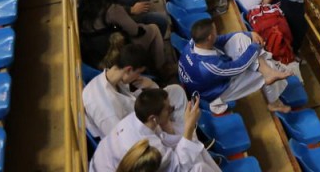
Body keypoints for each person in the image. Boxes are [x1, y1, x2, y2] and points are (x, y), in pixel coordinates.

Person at [177, 18, 292, 115]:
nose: (217, 32)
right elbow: (239, 67)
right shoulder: (209, 67)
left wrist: (249, 34)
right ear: (210, 37)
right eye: (215, 31)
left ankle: (267, 71)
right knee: (266, 69)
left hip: (204, 81)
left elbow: (221, 39)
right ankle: (274, 103)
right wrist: (255, 46)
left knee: (241, 38)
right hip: (213, 92)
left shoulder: (194, 42)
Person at [88, 88, 216, 172]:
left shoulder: (136, 118)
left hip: (103, 163)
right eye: (168, 109)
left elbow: (165, 139)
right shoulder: (148, 147)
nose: (171, 110)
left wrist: (184, 131)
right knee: (199, 167)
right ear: (153, 118)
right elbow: (179, 166)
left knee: (192, 147)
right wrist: (189, 127)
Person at [78, 0, 174, 79]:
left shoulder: (84, 5)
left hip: (95, 54)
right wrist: (140, 25)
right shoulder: (112, 9)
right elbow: (135, 31)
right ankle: (160, 69)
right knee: (154, 29)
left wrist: (130, 11)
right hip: (112, 53)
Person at [83, 43, 188, 140]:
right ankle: (185, 136)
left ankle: (184, 131)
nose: (138, 76)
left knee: (176, 91)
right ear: (128, 69)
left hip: (140, 113)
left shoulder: (112, 77)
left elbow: (132, 101)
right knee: (178, 128)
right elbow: (124, 140)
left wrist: (151, 86)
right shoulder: (107, 111)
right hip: (139, 133)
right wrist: (163, 124)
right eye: (138, 72)